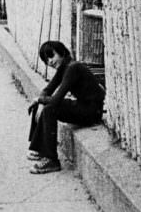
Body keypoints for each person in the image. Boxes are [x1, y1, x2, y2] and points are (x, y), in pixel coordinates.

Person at [26, 41, 104, 174]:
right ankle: (39, 148)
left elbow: (56, 99)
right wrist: (39, 102)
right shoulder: (64, 67)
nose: (50, 62)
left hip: (91, 112)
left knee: (50, 108)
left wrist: (41, 100)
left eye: (52, 56)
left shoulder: (73, 67)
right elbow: (48, 89)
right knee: (40, 105)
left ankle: (51, 160)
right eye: (46, 60)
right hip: (83, 107)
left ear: (61, 52)